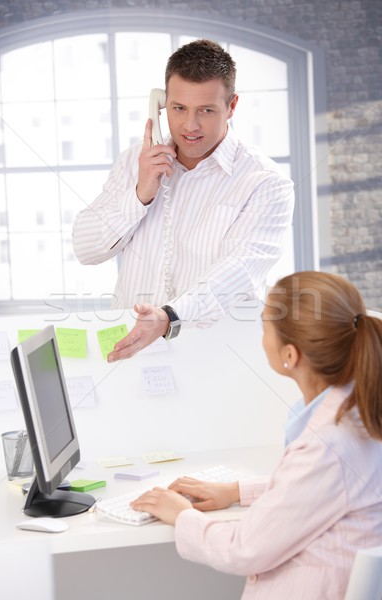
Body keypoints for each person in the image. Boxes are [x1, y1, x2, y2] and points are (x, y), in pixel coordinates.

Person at [131, 271, 382, 599]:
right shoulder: (360, 410)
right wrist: (235, 490)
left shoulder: (328, 442)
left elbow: (243, 549)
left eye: (265, 326)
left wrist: (180, 513)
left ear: (290, 356)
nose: (262, 337)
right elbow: (322, 487)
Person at [73, 39, 294, 361]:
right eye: (179, 109)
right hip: (134, 354)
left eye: (206, 110)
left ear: (231, 107)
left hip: (217, 359)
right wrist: (141, 193)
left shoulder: (265, 183)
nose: (190, 126)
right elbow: (86, 249)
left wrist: (169, 316)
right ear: (162, 105)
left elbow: (238, 272)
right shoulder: (136, 161)